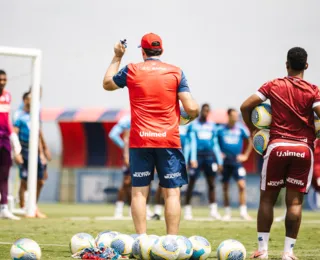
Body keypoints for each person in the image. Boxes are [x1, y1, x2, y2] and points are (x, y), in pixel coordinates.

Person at [103, 33, 199, 235]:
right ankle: (172, 242)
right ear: (161, 50)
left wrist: (117, 56)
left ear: (143, 51)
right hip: (168, 141)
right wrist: (186, 118)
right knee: (172, 193)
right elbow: (191, 108)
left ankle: (141, 240)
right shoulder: (176, 72)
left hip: (141, 141)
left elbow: (107, 84)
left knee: (139, 193)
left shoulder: (132, 69)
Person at [240, 47, 320, 260]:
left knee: (267, 199)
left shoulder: (273, 85)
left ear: (286, 64)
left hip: (277, 147)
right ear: (306, 66)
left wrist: (253, 130)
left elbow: (245, 106)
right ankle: (288, 253)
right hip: (303, 149)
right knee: (294, 203)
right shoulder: (313, 90)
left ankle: (262, 251)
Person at [13, 86, 51, 218]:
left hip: (35, 150)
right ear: (25, 100)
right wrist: (16, 152)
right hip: (24, 149)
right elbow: (14, 134)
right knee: (25, 181)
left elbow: (38, 132)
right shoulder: (19, 115)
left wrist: (43, 151)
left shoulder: (35, 113)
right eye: (30, 98)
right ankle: (24, 208)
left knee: (40, 181)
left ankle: (33, 206)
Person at [184, 104, 223, 220]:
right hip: (197, 157)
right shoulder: (194, 126)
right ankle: (187, 210)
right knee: (191, 182)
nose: (205, 113)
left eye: (207, 111)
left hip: (209, 157)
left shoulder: (212, 126)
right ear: (201, 111)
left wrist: (219, 160)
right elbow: (190, 144)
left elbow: (215, 144)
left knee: (211, 183)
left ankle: (213, 210)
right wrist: (190, 159)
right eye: (204, 111)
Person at [217, 108, 253, 220]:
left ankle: (243, 212)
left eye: (237, 115)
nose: (236, 117)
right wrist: (219, 155)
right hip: (225, 161)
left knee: (242, 185)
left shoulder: (241, 128)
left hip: (237, 161)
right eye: (234, 115)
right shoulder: (220, 129)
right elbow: (214, 143)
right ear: (229, 116)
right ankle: (227, 212)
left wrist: (245, 155)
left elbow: (251, 141)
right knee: (225, 187)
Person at [0, 70, 23, 220]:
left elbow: (7, 119)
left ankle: (4, 208)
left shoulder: (7, 96)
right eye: (0, 79)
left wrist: (14, 138)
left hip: (5, 139)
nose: (2, 82)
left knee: (5, 174)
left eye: (4, 79)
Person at [109, 114, 133, 218]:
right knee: (127, 182)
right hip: (132, 154)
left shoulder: (131, 117)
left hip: (137, 153)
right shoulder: (130, 119)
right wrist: (126, 152)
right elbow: (117, 136)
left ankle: (132, 209)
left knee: (133, 183)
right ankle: (119, 210)